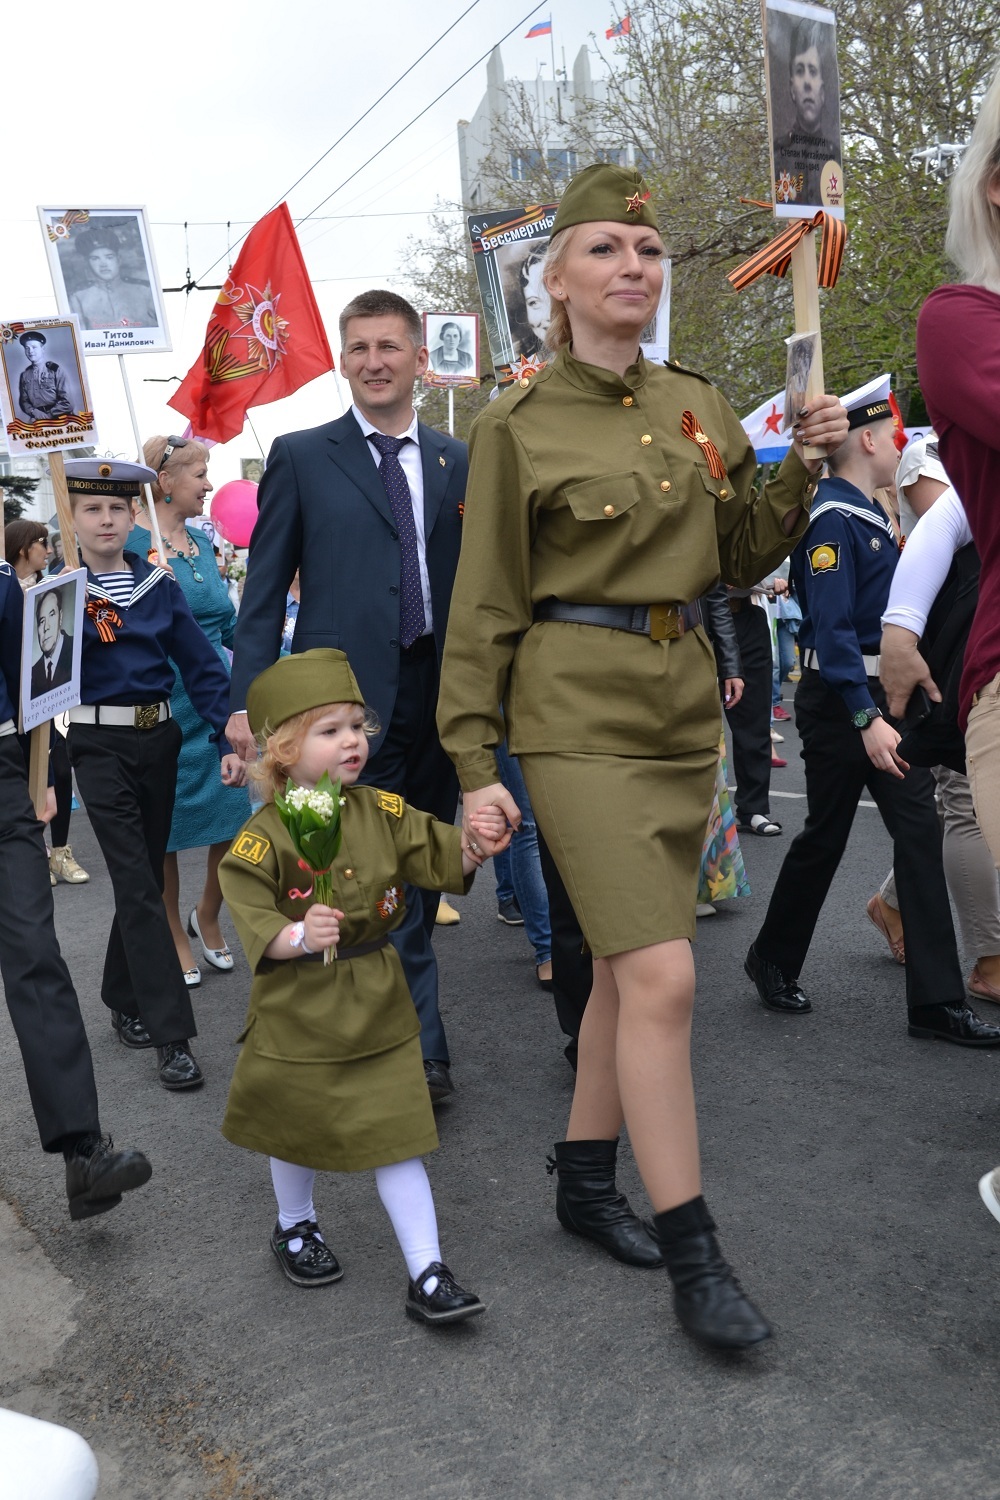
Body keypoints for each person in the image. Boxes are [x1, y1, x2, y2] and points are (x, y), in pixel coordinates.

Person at [436, 162, 848, 1350]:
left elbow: (735, 556)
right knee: (663, 978)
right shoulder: (514, 426)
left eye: (647, 251)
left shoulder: (697, 404)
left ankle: (580, 1179)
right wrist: (473, 768)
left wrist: (797, 467)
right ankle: (695, 1253)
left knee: (625, 975)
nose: (633, 267)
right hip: (573, 719)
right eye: (606, 249)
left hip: (680, 715)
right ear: (553, 282)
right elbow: (484, 612)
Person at [226, 289, 468, 1104]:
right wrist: (247, 709)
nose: (374, 362)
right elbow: (262, 596)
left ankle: (408, 1038)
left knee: (415, 882)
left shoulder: (456, 461)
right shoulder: (301, 455)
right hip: (336, 720)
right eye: (359, 348)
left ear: (417, 359)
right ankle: (405, 1054)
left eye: (389, 348)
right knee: (339, 884)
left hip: (439, 704)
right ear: (342, 358)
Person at [219, 650, 501, 1323]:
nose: (353, 741)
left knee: (399, 1134)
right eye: (330, 730)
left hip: (377, 998)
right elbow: (253, 912)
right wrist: (297, 937)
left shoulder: (383, 810)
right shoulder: (265, 835)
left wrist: (476, 842)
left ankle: (427, 1272)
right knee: (294, 1126)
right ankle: (295, 1224)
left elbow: (441, 853)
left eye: (357, 726)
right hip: (299, 1005)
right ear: (283, 751)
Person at [744, 377, 1000, 1047]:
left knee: (919, 834)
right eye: (894, 434)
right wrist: (867, 719)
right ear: (866, 439)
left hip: (878, 708)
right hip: (843, 708)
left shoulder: (866, 516)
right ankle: (771, 959)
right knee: (824, 839)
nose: (901, 445)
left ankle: (937, 1004)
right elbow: (830, 638)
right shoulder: (832, 519)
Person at [881, 69, 1000, 1222]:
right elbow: (942, 528)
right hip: (984, 672)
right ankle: (969, 963)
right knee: (948, 818)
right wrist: (897, 635)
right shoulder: (960, 320)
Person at [63, 458, 245, 1091]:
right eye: (92, 508)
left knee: (140, 871)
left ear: (133, 515)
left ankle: (120, 992)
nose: (106, 519)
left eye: (117, 508)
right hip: (95, 745)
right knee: (141, 884)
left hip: (160, 741)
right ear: (74, 519)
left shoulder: (158, 584)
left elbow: (199, 662)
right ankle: (173, 1037)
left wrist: (227, 732)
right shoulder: (56, 595)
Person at [0, 556, 151, 1219]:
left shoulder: (3, 587)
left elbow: (32, 680)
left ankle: (83, 1152)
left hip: (4, 784)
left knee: (37, 956)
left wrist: (43, 772)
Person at [129, 436, 251, 987]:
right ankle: (175, 933)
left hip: (215, 699)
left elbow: (225, 622)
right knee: (168, 826)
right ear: (166, 481)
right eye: (199, 473)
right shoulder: (130, 542)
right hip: (161, 703)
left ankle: (207, 913)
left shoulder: (202, 542)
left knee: (233, 811)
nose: (208, 484)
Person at [5, 521, 89, 887]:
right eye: (41, 542)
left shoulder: (53, 586)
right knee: (23, 775)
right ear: (24, 548)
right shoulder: (8, 586)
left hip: (52, 699)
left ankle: (61, 851)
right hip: (16, 704)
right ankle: (34, 849)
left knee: (58, 770)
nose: (47, 549)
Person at [771, 16, 840, 208]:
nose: (807, 83)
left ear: (823, 91)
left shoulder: (835, 157)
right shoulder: (779, 155)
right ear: (792, 88)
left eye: (813, 71)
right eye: (800, 71)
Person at [69, 228, 155, 330]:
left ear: (118, 260)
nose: (103, 264)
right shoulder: (79, 296)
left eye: (109, 257)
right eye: (95, 259)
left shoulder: (144, 290)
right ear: (87, 263)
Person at [16, 331, 72, 423]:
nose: (30, 351)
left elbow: (68, 402)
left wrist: (48, 415)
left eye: (34, 347)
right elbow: (24, 402)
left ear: (43, 349)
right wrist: (33, 411)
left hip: (60, 418)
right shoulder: (25, 375)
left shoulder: (55, 370)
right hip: (37, 419)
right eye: (27, 348)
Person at [30, 587, 72, 695]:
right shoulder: (32, 673)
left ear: (61, 617)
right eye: (42, 621)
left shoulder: (77, 648)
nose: (46, 627)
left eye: (52, 615)